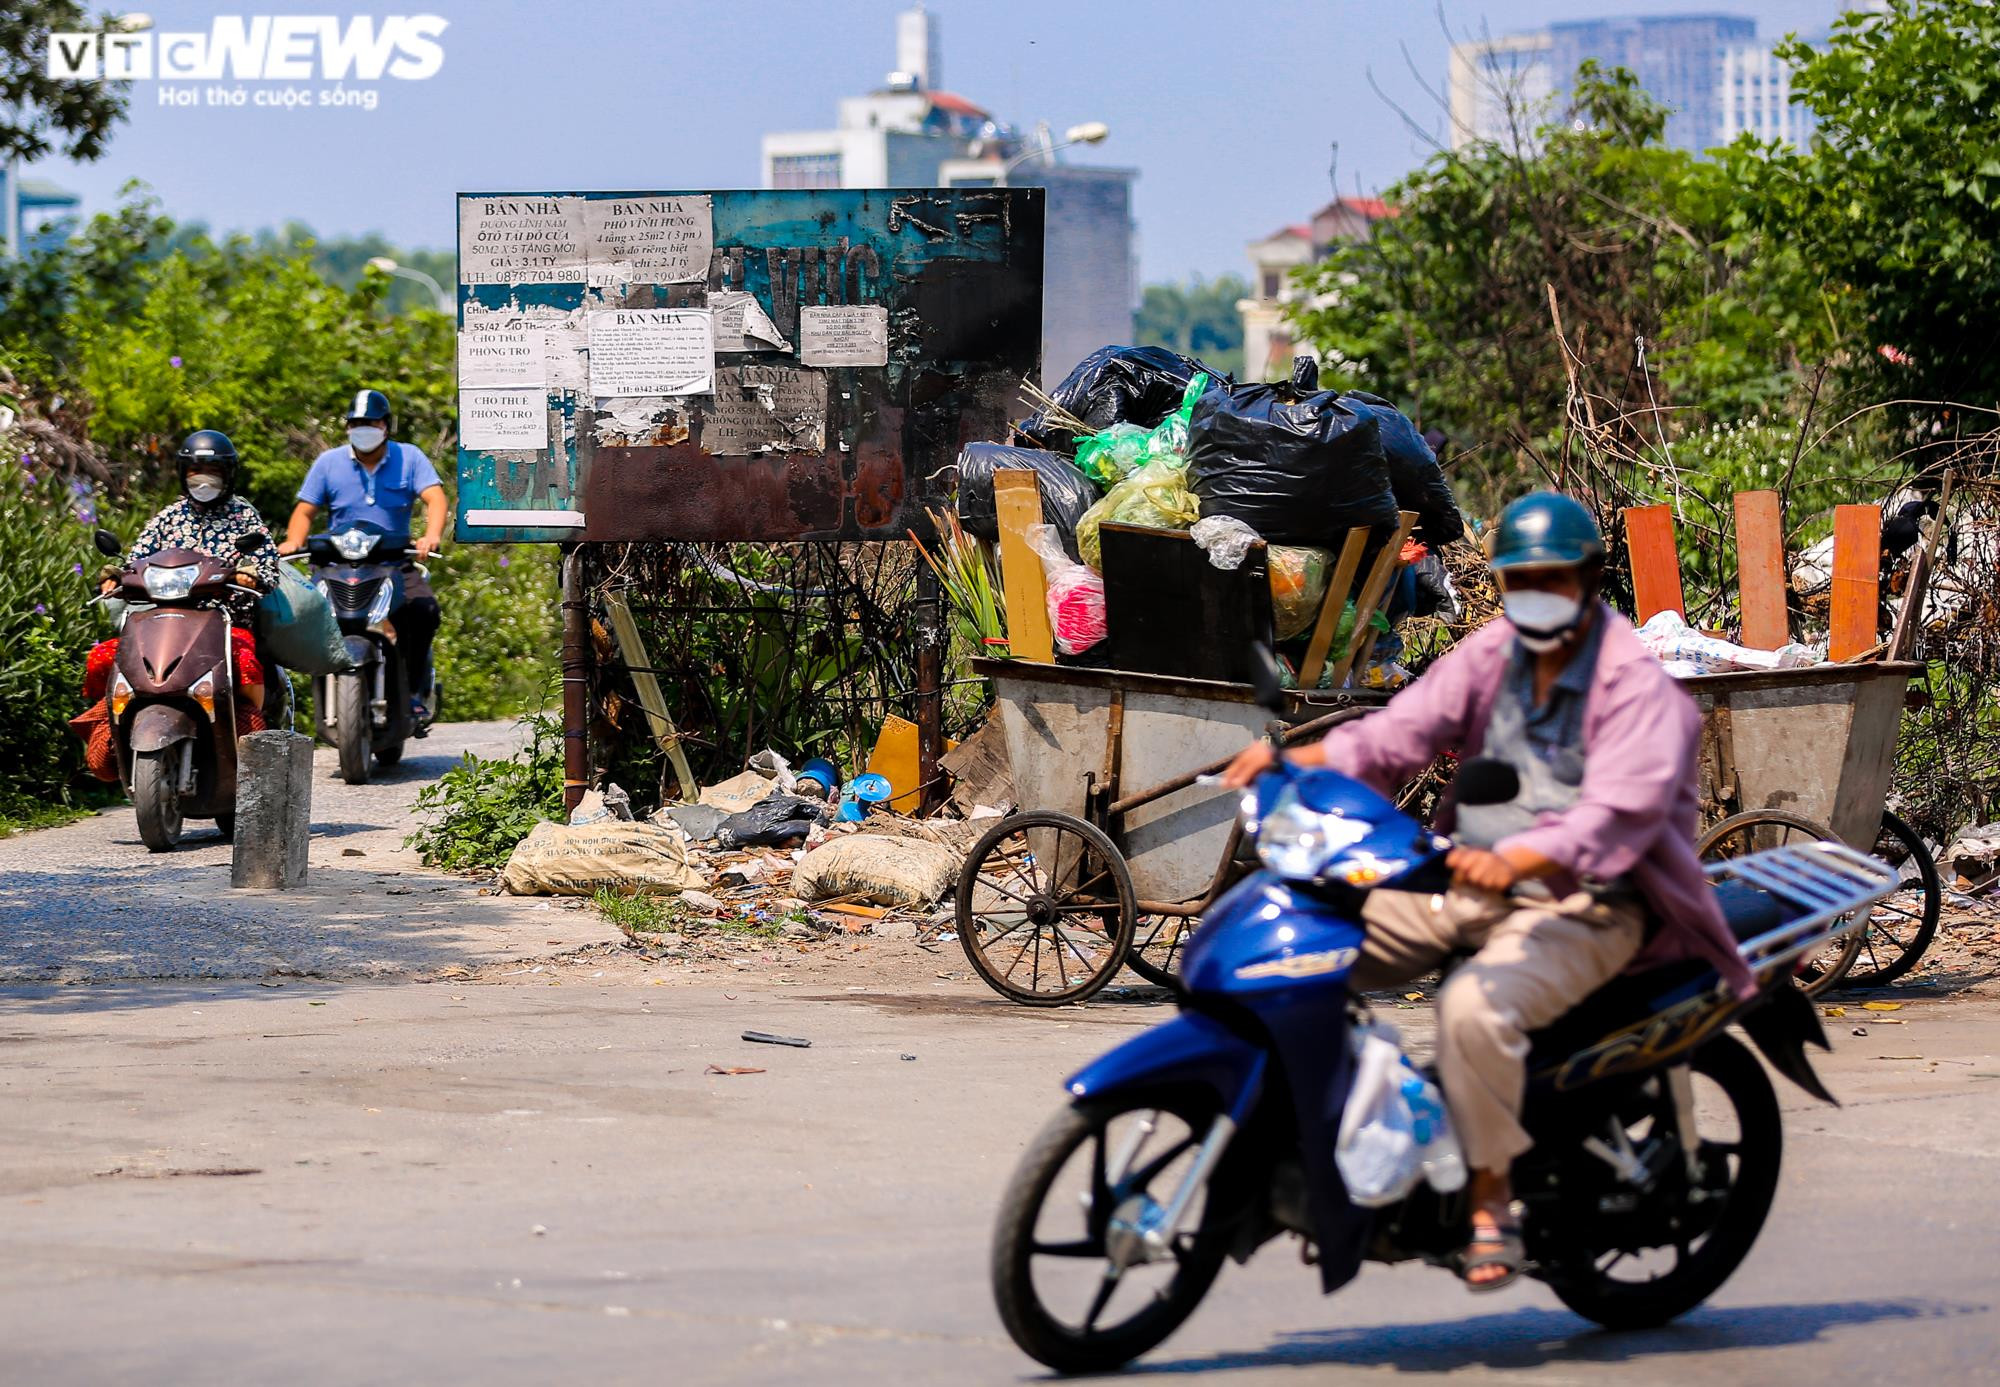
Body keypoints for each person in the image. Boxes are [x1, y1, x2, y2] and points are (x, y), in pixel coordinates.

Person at [1222, 491, 1753, 1292]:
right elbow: (1398, 734)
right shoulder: (1494, 652)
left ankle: (1490, 1201)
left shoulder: (1636, 685)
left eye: (1551, 578)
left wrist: (1521, 858)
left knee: (1472, 1006)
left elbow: (1620, 814)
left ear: (1590, 578)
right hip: (1466, 877)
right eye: (1517, 580)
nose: (1532, 594)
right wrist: (1296, 760)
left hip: (1593, 901)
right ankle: (1320, 1134)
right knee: (1299, 946)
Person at [282, 389, 447, 722]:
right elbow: (305, 511)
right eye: (356, 423)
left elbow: (435, 498)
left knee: (423, 611)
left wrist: (431, 536)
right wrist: (293, 541)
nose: (363, 428)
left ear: (385, 425)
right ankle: (293, 698)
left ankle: (414, 692)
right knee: (301, 609)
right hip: (337, 563)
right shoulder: (329, 463)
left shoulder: (410, 457)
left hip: (393, 560)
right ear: (347, 427)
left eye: (370, 422)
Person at [97, 429, 277, 724]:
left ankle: (250, 729)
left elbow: (266, 561)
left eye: (213, 471)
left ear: (228, 474)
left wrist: (251, 574)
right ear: (183, 473)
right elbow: (136, 560)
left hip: (222, 623)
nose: (204, 478)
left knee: (245, 663)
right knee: (104, 658)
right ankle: (108, 724)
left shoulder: (244, 516)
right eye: (196, 470)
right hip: (162, 624)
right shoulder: (169, 517)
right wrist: (116, 576)